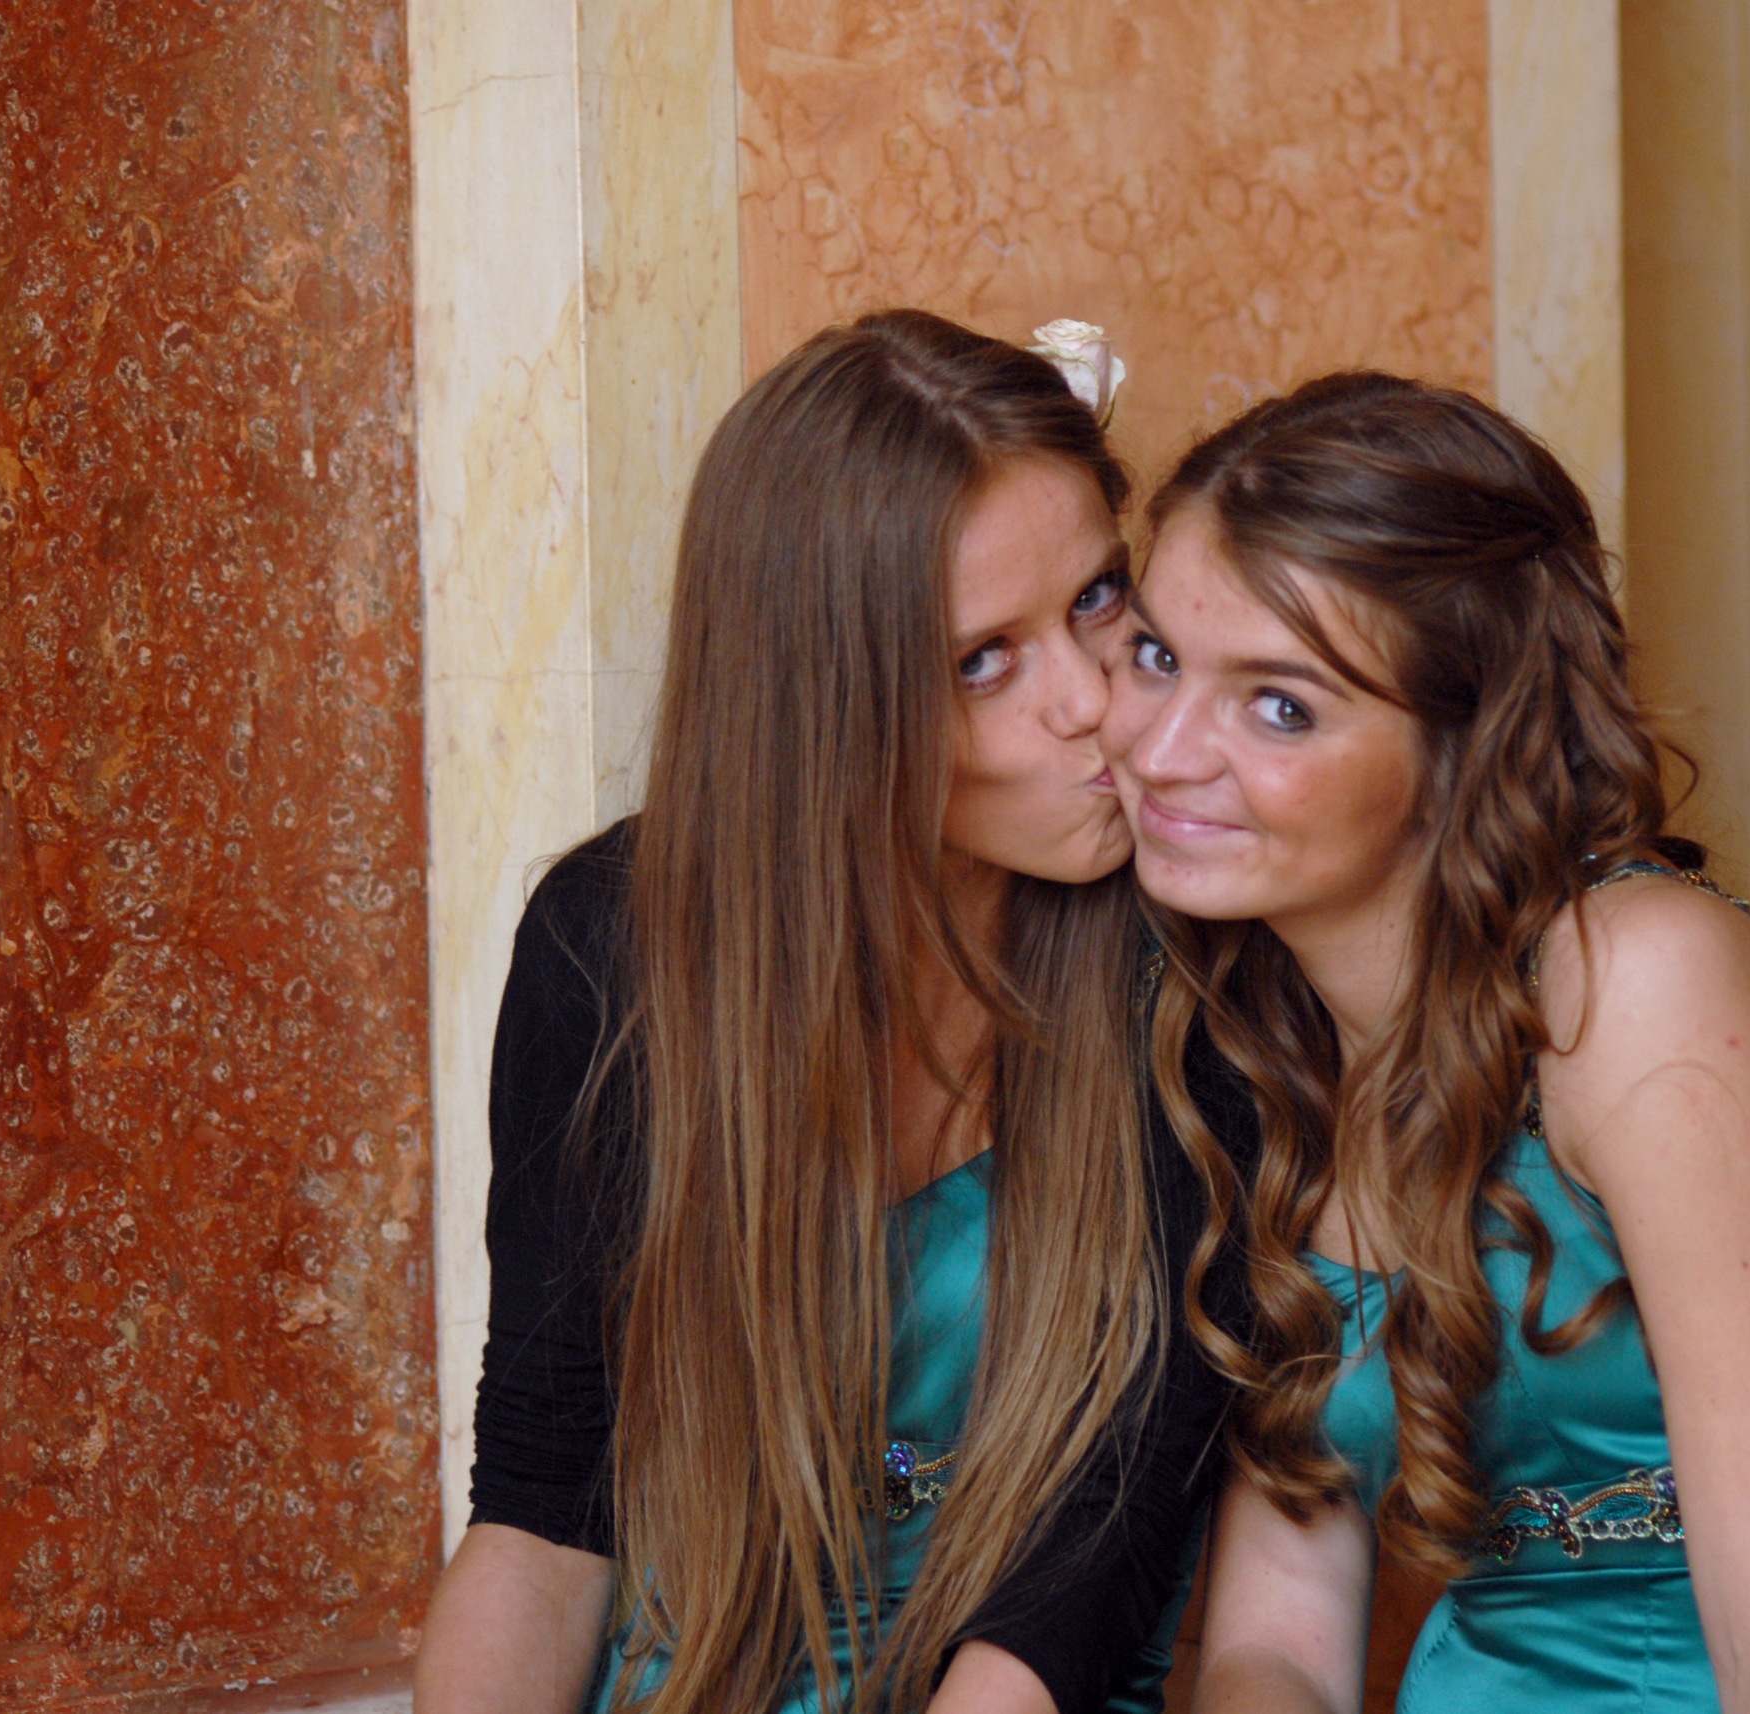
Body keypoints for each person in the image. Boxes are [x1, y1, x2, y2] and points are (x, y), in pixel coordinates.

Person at [412, 310, 1254, 1714]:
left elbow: (1107, 1542)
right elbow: (549, 1506)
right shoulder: (610, 945)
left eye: (1101, 598)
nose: (1095, 703)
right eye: (983, 659)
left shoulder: (1198, 959)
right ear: (828, 702)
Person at [1103, 372, 1750, 1714]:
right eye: (1158, 656)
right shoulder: (1258, 1030)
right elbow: (1276, 1635)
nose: (1161, 751)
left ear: (1466, 748)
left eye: (1281, 705)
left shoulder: (1639, 987)